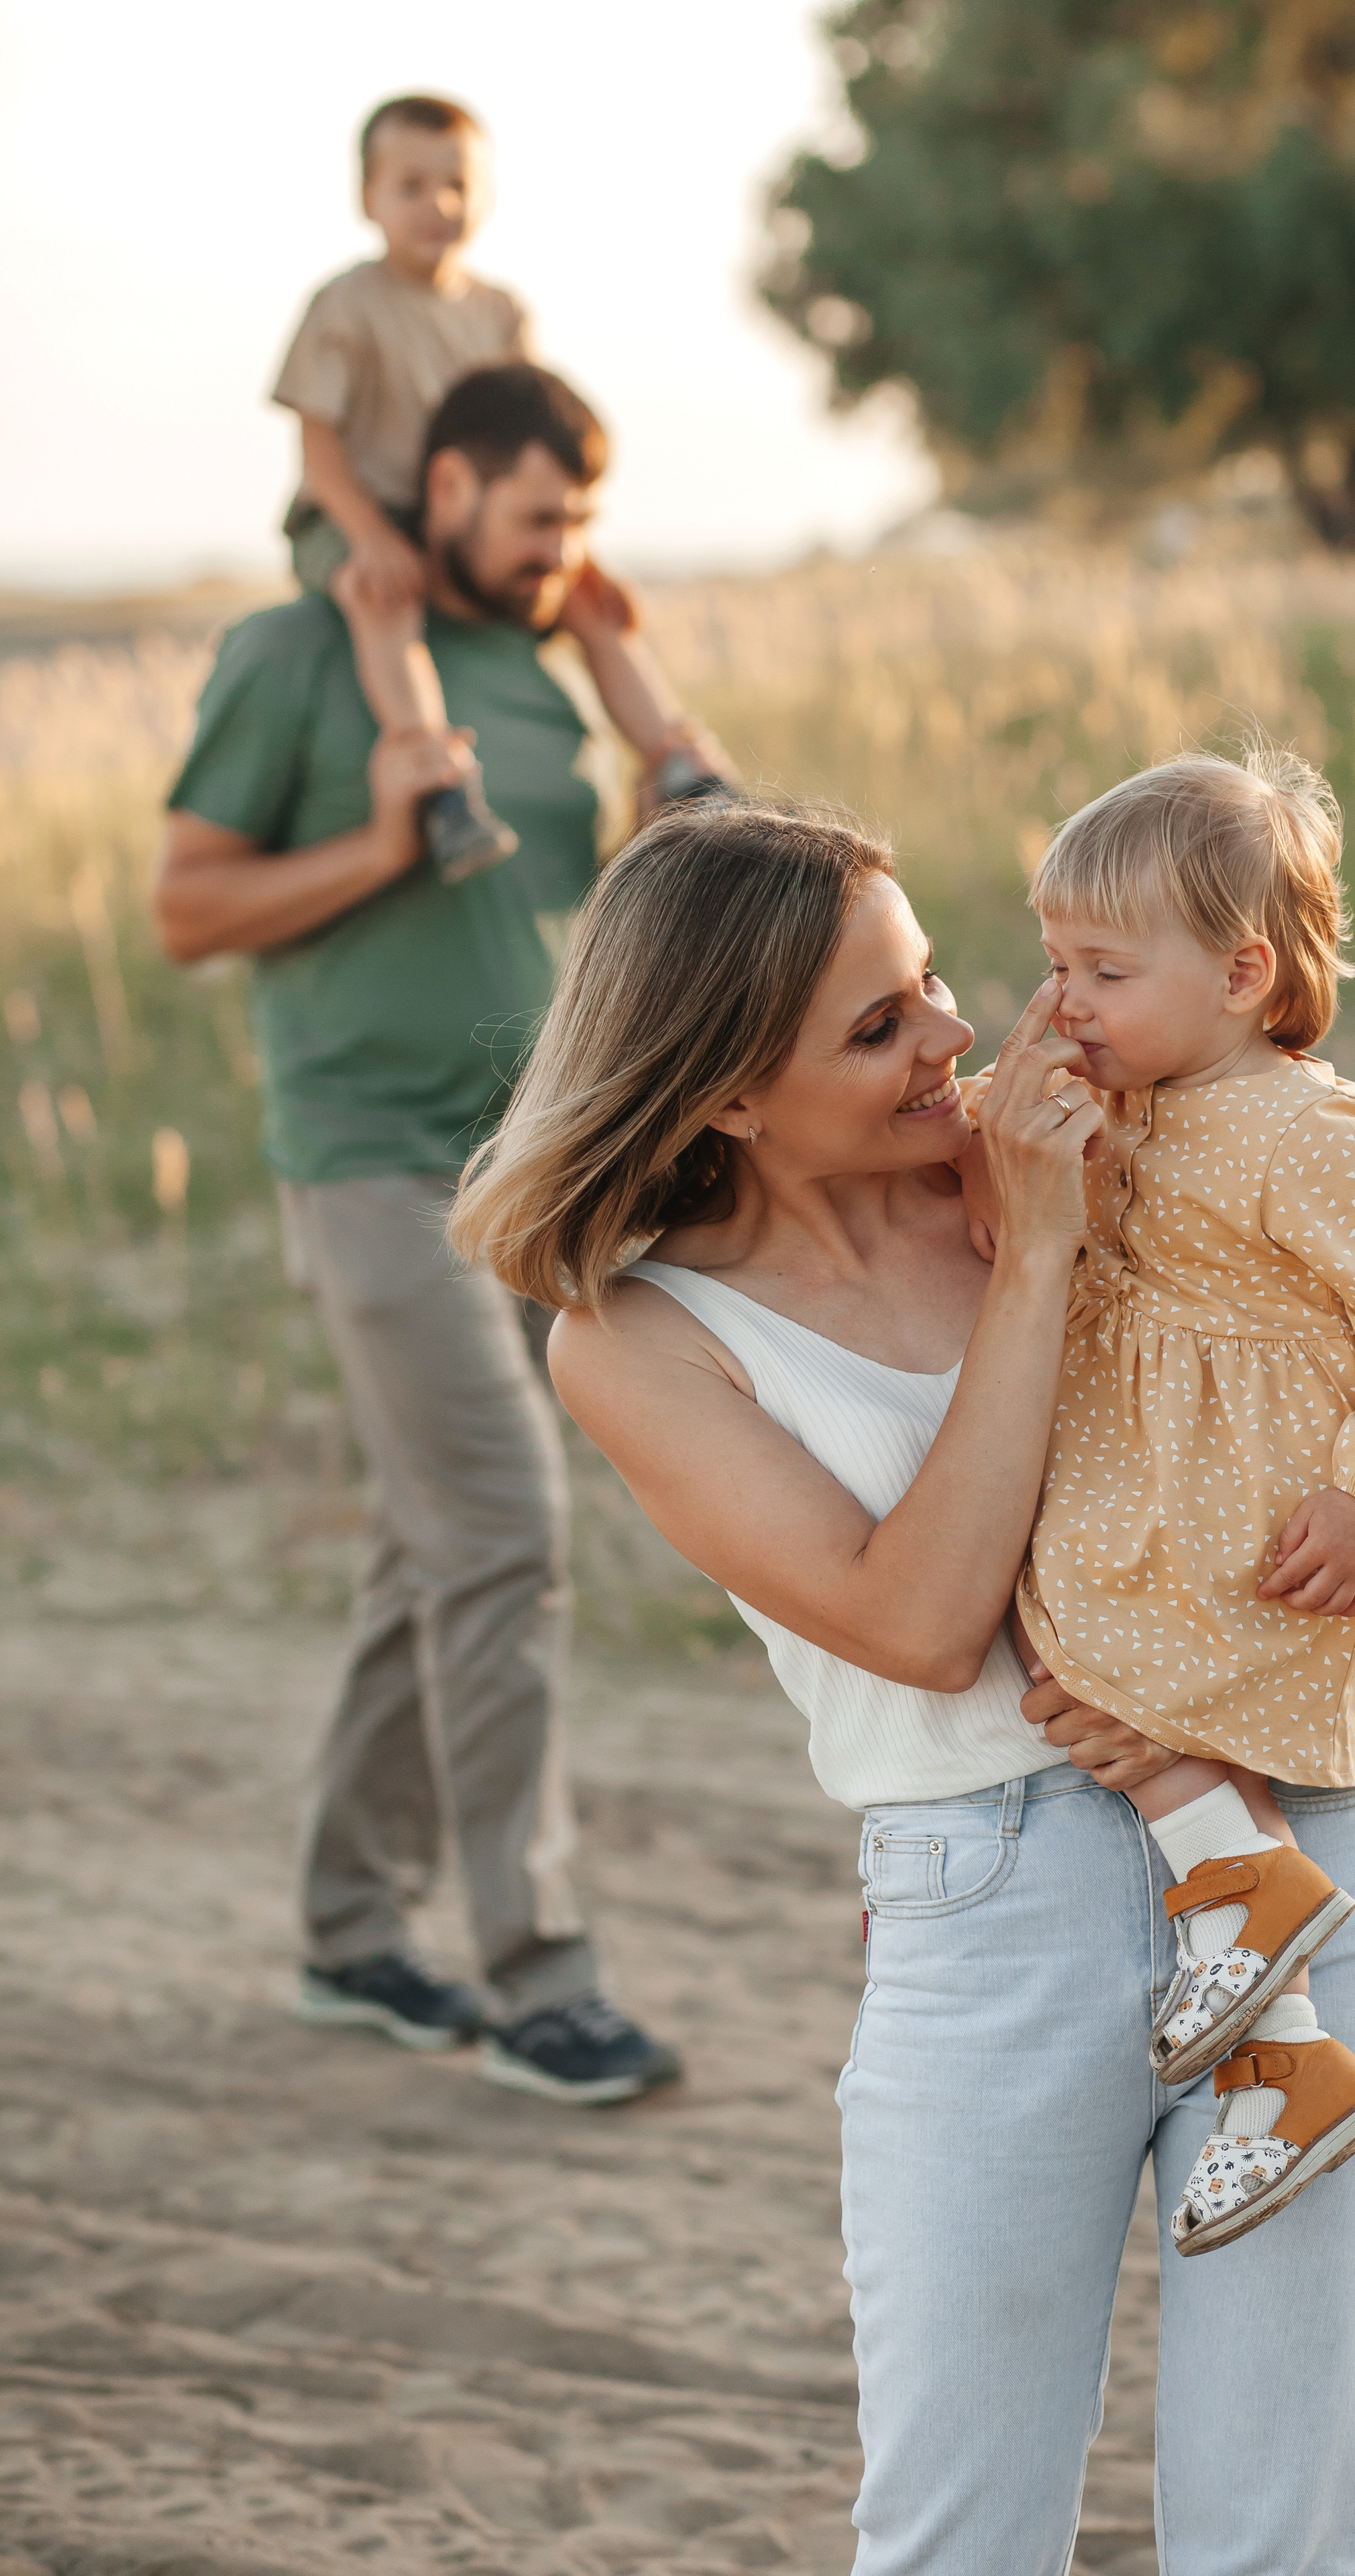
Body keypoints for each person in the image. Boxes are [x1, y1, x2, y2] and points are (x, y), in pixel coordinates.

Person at [449, 798, 1355, 2573]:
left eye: (934, 986)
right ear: (730, 1092)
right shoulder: (644, 1337)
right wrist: (1037, 1253)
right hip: (997, 1901)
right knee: (959, 2533)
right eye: (880, 1025)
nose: (961, 1038)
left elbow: (1349, 1375)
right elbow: (915, 1622)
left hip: (1299, 1853)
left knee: (1286, 2528)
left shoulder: (1082, 1144)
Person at [152, 362, 682, 2106]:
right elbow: (187, 904)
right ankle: (540, 1976)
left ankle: (347, 1931)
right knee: (508, 1529)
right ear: (444, 484)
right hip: (372, 1167)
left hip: (528, 1174)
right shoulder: (299, 656)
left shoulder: (538, 674)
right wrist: (382, 844)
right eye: (538, 519)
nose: (560, 555)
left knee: (432, 1553)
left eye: (582, 527)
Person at [957, 745, 1355, 2255]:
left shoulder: (1303, 1131)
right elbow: (991, 1172)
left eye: (1100, 971)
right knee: (1064, 1663)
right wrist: (1010, 1102)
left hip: (1254, 1532)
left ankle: (1249, 1913)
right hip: (1136, 1509)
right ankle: (1281, 2053)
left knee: (1095, 1687)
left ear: (1243, 973)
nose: (1062, 1005)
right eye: (1051, 965)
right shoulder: (1117, 1093)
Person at [271, 91, 727, 877]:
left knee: (593, 605)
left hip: (471, 519)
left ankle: (681, 767)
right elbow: (318, 451)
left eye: (458, 184)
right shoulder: (346, 306)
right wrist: (373, 538)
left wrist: (580, 552)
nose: (438, 204)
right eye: (411, 186)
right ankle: (441, 786)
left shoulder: (499, 312)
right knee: (384, 602)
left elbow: (534, 440)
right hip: (355, 511)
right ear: (368, 198)